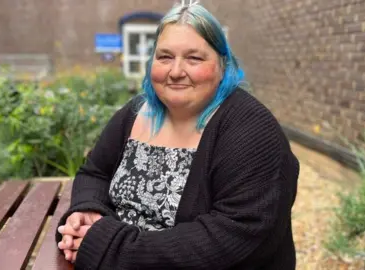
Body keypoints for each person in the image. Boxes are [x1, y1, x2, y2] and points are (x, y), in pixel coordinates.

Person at [56, 2, 299, 269]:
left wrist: (109, 248)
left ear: (223, 65)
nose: (175, 71)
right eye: (164, 57)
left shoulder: (251, 130)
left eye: (194, 58)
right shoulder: (137, 112)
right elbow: (95, 173)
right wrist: (88, 209)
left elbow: (232, 235)